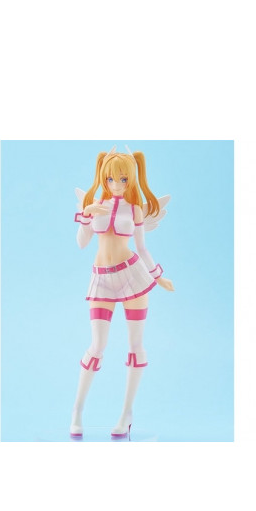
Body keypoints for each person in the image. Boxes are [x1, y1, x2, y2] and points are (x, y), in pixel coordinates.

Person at [70, 145, 174, 439]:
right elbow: (81, 243)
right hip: (102, 278)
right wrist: (86, 215)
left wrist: (159, 277)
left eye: (123, 179)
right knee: (97, 345)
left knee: (135, 344)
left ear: (131, 179)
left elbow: (142, 248)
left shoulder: (135, 209)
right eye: (111, 179)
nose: (116, 185)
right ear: (103, 178)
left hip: (133, 276)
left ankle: (126, 414)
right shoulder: (95, 203)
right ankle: (77, 410)